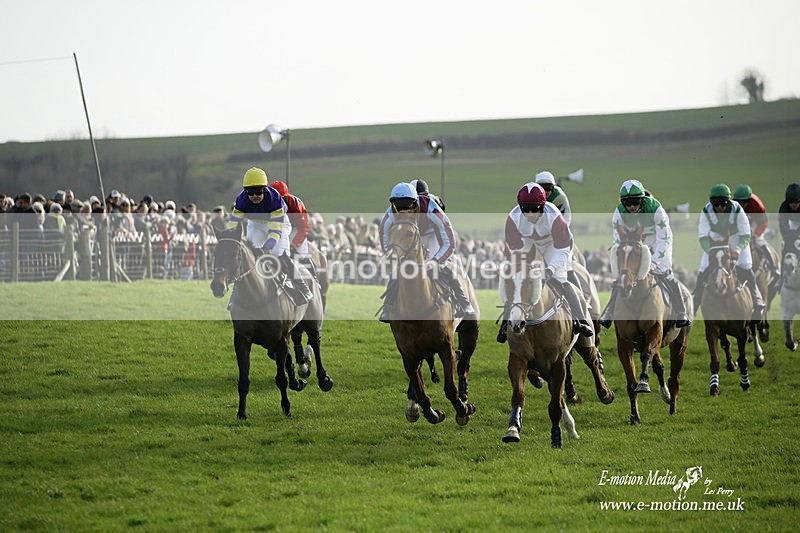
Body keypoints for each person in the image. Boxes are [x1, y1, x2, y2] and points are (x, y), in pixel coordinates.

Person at [498, 182, 594, 342]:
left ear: (542, 207)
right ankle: (505, 324)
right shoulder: (513, 219)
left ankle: (580, 319)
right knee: (518, 278)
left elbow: (562, 248)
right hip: (528, 242)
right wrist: (523, 267)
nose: (529, 214)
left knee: (559, 277)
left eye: (534, 209)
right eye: (526, 209)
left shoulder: (554, 216)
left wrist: (549, 270)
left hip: (555, 244)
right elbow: (514, 249)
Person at [598, 179, 691, 328]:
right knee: (622, 275)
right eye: (627, 203)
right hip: (633, 242)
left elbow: (664, 238)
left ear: (642, 200)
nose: (631, 206)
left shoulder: (656, 208)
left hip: (657, 240)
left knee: (665, 272)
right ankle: (609, 311)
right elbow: (618, 240)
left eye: (635, 202)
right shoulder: (619, 212)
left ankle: (681, 312)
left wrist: (653, 261)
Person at [378, 182, 475, 322]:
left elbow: (449, 243)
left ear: (415, 202)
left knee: (441, 266)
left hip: (432, 234)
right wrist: (394, 258)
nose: (404, 211)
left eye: (408, 206)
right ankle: (388, 307)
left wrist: (434, 261)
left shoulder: (430, 207)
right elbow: (386, 244)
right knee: (397, 270)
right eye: (400, 207)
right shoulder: (389, 215)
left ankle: (464, 303)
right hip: (407, 234)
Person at [227, 167, 312, 302]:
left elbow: (275, 230)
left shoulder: (275, 200)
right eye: (250, 192)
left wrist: (267, 247)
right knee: (249, 254)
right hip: (255, 223)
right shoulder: (241, 200)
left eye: (259, 191)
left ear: (265, 189)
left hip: (278, 223)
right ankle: (236, 292)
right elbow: (232, 224)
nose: (254, 196)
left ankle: (301, 287)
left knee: (279, 253)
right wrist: (228, 240)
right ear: (245, 191)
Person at [693, 183, 765, 318]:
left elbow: (745, 234)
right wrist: (711, 252)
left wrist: (738, 249)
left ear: (729, 202)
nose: (720, 208)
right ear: (711, 203)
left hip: (736, 237)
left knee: (745, 264)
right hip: (715, 238)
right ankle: (696, 301)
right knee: (703, 266)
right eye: (717, 205)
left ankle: (756, 298)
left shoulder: (737, 209)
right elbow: (703, 237)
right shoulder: (705, 211)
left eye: (723, 205)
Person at [268, 180, 317, 278]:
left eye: (280, 199)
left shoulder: (296, 204)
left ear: (285, 197)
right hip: (278, 228)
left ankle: (314, 278)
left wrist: (294, 244)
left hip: (296, 229)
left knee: (300, 254)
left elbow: (304, 227)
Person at [733, 184, 775, 271]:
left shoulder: (756, 205)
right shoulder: (732, 205)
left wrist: (755, 235)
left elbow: (763, 223)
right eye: (738, 201)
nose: (741, 204)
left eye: (744, 202)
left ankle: (773, 267)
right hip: (740, 225)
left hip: (756, 224)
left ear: (749, 200)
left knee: (760, 241)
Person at [778, 183, 800, 257]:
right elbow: (783, 224)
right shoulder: (784, 207)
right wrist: (787, 237)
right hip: (793, 222)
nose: (793, 204)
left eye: (796, 201)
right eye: (790, 201)